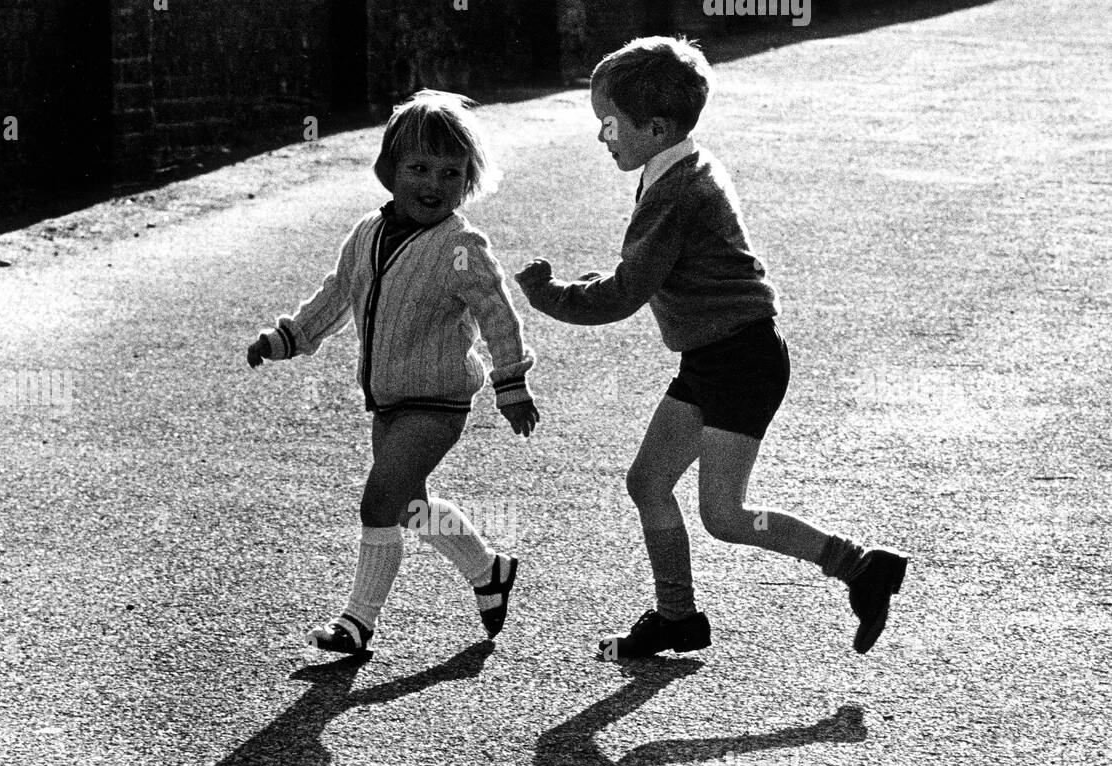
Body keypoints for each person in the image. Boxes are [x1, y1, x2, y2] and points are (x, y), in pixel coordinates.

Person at [515, 36, 906, 658]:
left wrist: (549, 294)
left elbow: (623, 296)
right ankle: (677, 618)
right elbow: (647, 272)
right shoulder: (678, 166)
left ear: (656, 125)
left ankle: (861, 567)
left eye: (610, 124)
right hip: (718, 355)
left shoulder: (674, 193)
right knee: (647, 481)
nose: (603, 137)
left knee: (724, 515)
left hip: (739, 361)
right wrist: (596, 283)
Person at [248, 90, 539, 654]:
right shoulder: (366, 234)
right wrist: (287, 338)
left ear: (469, 181)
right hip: (387, 400)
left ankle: (357, 622)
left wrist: (512, 384)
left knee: (379, 500)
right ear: (388, 170)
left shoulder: (460, 246)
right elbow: (336, 297)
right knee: (410, 506)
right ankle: (489, 571)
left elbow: (497, 314)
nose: (433, 184)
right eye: (419, 168)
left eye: (450, 173)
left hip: (438, 401)